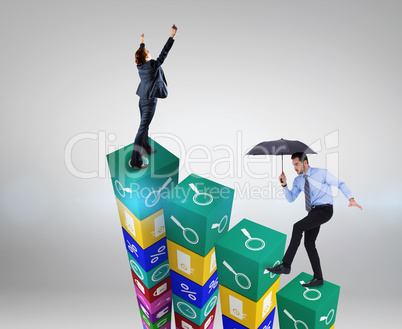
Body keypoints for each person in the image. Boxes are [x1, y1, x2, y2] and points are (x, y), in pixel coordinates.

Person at [266, 152, 362, 287]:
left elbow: (340, 184)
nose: (295, 168)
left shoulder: (321, 173)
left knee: (297, 227)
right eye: (293, 165)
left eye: (296, 164)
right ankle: (318, 278)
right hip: (313, 212)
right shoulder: (298, 180)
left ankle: (286, 265)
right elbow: (291, 198)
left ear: (305, 162)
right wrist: (284, 185)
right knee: (309, 243)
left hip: (325, 210)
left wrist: (351, 199)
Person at [130, 24, 178, 169]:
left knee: (145, 127)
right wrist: (172, 36)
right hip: (150, 101)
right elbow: (164, 53)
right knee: (142, 129)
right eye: (148, 51)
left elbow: (140, 55)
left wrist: (142, 42)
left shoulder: (140, 65)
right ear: (147, 57)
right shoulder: (152, 65)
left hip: (142, 99)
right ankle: (135, 161)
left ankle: (146, 147)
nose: (150, 52)